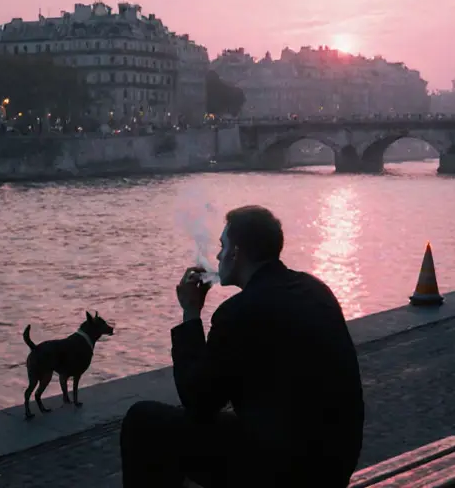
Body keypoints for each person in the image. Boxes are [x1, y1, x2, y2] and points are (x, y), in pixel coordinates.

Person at [119, 205, 365, 488]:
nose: (217, 255)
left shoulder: (238, 312)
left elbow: (198, 401)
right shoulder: (315, 288)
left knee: (143, 423)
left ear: (236, 252)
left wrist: (190, 313)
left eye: (222, 246)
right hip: (334, 464)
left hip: (286, 472)